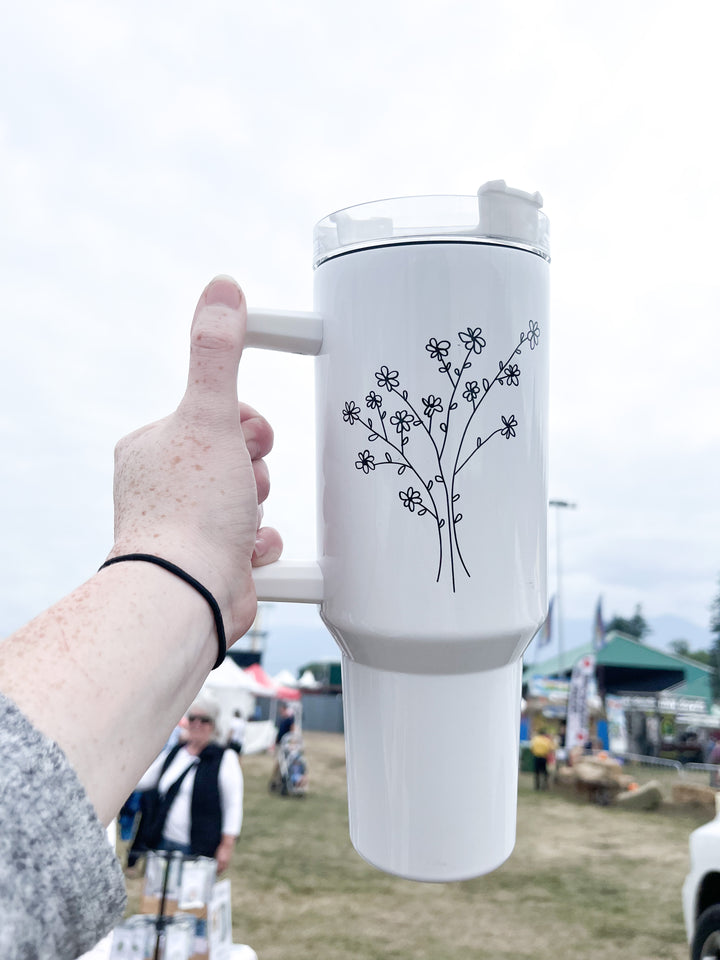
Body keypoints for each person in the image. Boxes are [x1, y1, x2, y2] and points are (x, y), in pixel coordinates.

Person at [0, 276, 283, 960]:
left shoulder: (223, 764)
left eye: (198, 720)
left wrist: (175, 567)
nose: (192, 726)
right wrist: (180, 565)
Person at [130, 695, 242, 873]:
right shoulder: (176, 752)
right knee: (157, 898)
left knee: (188, 900)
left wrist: (227, 845)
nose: (196, 723)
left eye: (204, 720)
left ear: (213, 724)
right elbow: (143, 780)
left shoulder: (224, 758)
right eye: (192, 718)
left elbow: (233, 805)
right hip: (162, 842)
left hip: (197, 848)